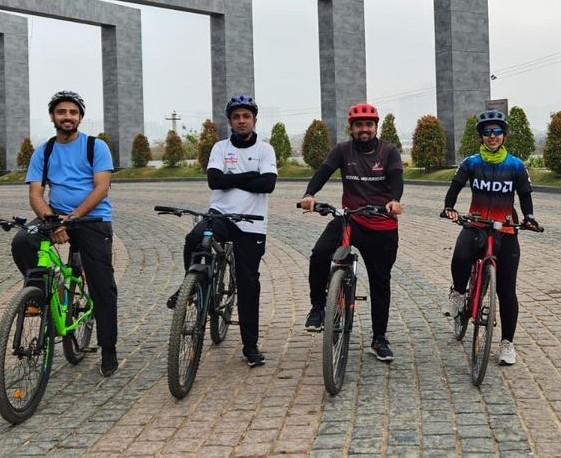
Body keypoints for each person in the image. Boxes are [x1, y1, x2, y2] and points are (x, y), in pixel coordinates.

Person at [14, 90, 119, 377]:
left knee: (102, 285)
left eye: (73, 112)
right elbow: (36, 193)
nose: (67, 117)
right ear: (53, 117)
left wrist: (72, 218)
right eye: (62, 112)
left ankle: (108, 348)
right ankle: (40, 294)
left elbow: (101, 188)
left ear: (80, 117)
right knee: (23, 240)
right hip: (54, 215)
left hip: (90, 219)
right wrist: (51, 219)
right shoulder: (44, 150)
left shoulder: (95, 147)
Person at [167, 95, 277, 368]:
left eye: (246, 116)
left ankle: (250, 345)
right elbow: (214, 181)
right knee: (194, 238)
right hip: (220, 216)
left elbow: (268, 184)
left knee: (249, 283)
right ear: (229, 121)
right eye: (236, 116)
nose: (241, 121)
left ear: (254, 120)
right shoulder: (220, 147)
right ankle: (190, 287)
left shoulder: (265, 150)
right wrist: (249, 176)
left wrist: (232, 180)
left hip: (252, 223)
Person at [298, 103, 404, 362]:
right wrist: (309, 194)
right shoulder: (342, 150)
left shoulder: (389, 152)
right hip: (350, 219)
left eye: (368, 124)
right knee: (320, 252)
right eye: (359, 125)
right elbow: (323, 172)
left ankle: (379, 339)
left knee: (380, 281)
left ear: (376, 126)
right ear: (352, 128)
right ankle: (318, 306)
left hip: (381, 223)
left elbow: (397, 180)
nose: (364, 129)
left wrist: (394, 200)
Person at [442, 109, 541, 366]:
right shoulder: (471, 162)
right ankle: (458, 294)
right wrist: (449, 207)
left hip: (505, 229)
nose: (492, 136)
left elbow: (525, 194)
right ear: (481, 136)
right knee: (461, 254)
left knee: (507, 290)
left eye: (497, 131)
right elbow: (455, 186)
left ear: (504, 135)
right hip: (477, 223)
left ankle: (507, 343)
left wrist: (528, 216)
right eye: (487, 132)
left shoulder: (516, 166)